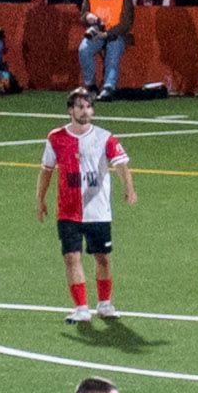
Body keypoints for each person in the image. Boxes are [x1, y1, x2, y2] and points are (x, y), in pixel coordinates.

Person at [36, 87, 134, 323]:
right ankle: (81, 308)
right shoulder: (56, 138)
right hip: (68, 212)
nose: (85, 110)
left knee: (103, 258)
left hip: (98, 211)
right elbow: (46, 170)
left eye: (89, 106)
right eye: (80, 106)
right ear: (71, 110)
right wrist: (40, 199)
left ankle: (105, 304)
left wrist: (129, 188)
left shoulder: (105, 137)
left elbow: (121, 164)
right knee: (71, 258)